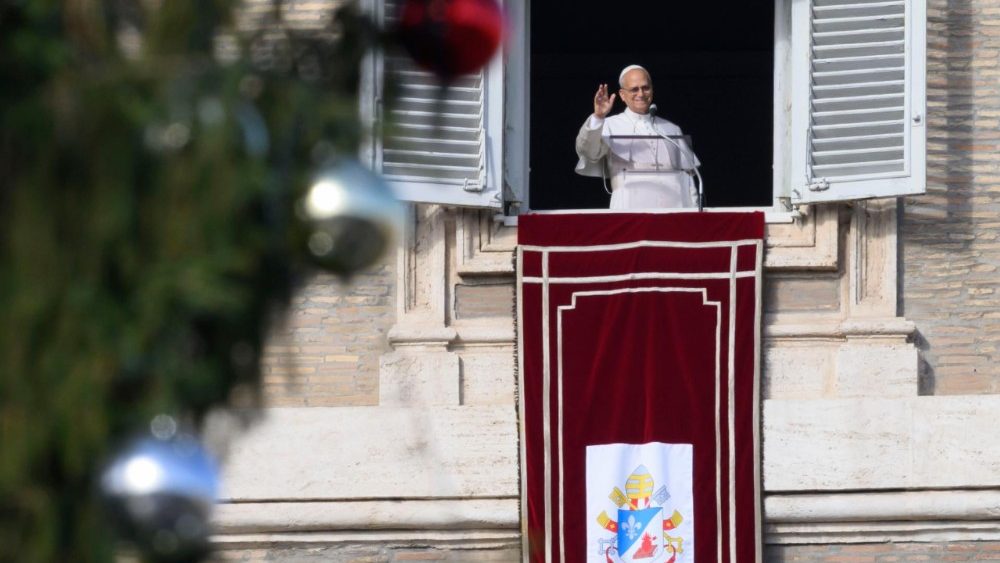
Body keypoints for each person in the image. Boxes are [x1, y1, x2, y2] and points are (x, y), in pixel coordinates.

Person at [575, 65, 700, 210]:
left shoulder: (671, 128)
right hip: (629, 213)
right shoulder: (609, 125)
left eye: (645, 88)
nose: (641, 93)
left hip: (674, 213)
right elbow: (588, 152)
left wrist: (694, 212)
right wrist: (598, 117)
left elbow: (688, 179)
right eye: (634, 89)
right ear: (622, 95)